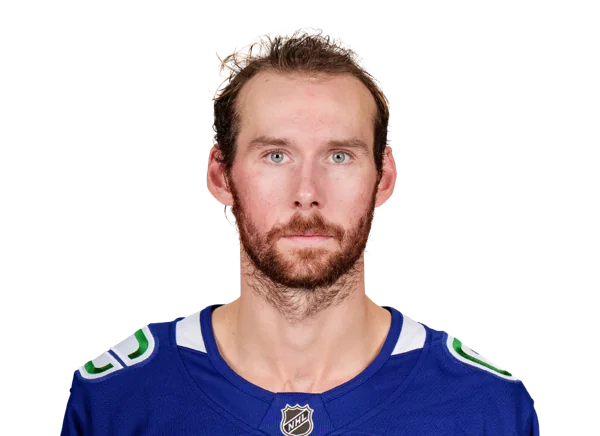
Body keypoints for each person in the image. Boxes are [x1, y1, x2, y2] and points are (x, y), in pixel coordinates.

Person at [62, 26, 539, 435]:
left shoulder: (486, 406)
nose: (307, 192)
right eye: (276, 155)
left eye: (339, 156)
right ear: (221, 177)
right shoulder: (115, 399)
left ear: (384, 179)